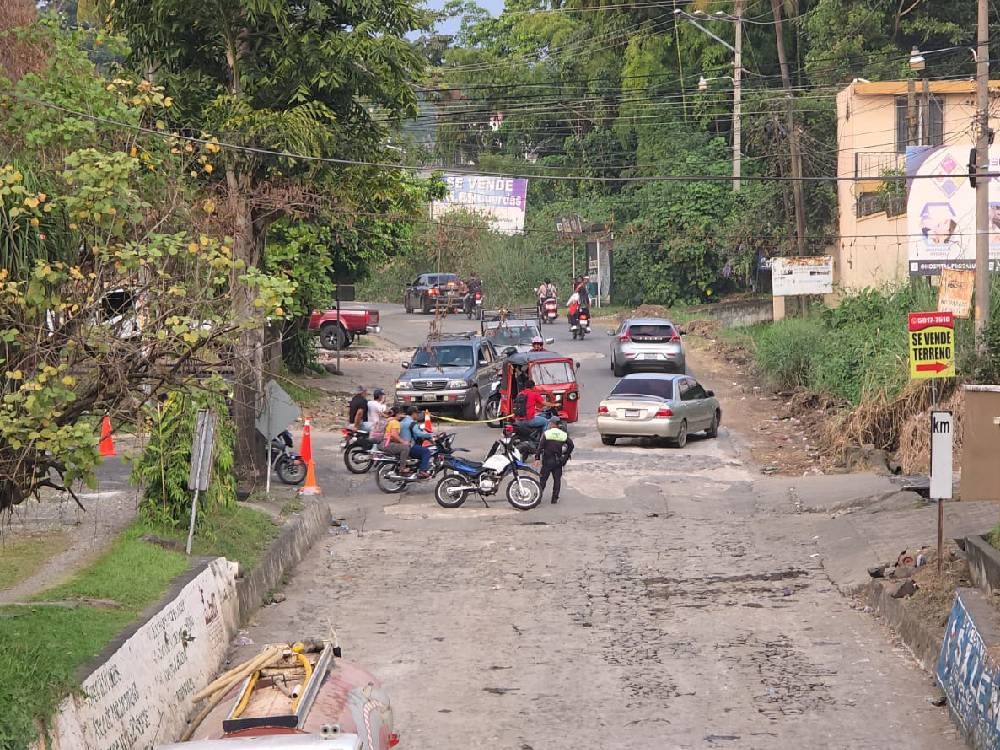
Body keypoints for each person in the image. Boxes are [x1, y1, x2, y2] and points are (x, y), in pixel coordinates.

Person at [534, 417, 574, 504]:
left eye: (550, 423)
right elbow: (571, 445)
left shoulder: (547, 433)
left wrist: (537, 458)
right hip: (558, 461)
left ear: (552, 424)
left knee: (543, 480)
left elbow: (540, 447)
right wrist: (566, 455)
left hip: (547, 460)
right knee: (557, 480)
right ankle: (554, 499)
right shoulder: (563, 434)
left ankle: (537, 498)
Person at [399, 406, 432, 477]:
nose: (418, 415)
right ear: (413, 413)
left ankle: (415, 468)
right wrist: (430, 435)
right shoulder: (411, 423)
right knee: (426, 451)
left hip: (401, 445)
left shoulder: (402, 421)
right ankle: (422, 470)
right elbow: (418, 433)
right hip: (409, 446)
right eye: (417, 414)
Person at [381, 407, 415, 474]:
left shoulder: (389, 420)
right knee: (405, 448)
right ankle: (402, 468)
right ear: (397, 414)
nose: (402, 415)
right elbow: (394, 435)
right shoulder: (395, 422)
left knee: (401, 446)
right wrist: (403, 442)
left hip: (383, 443)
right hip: (387, 444)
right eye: (400, 414)